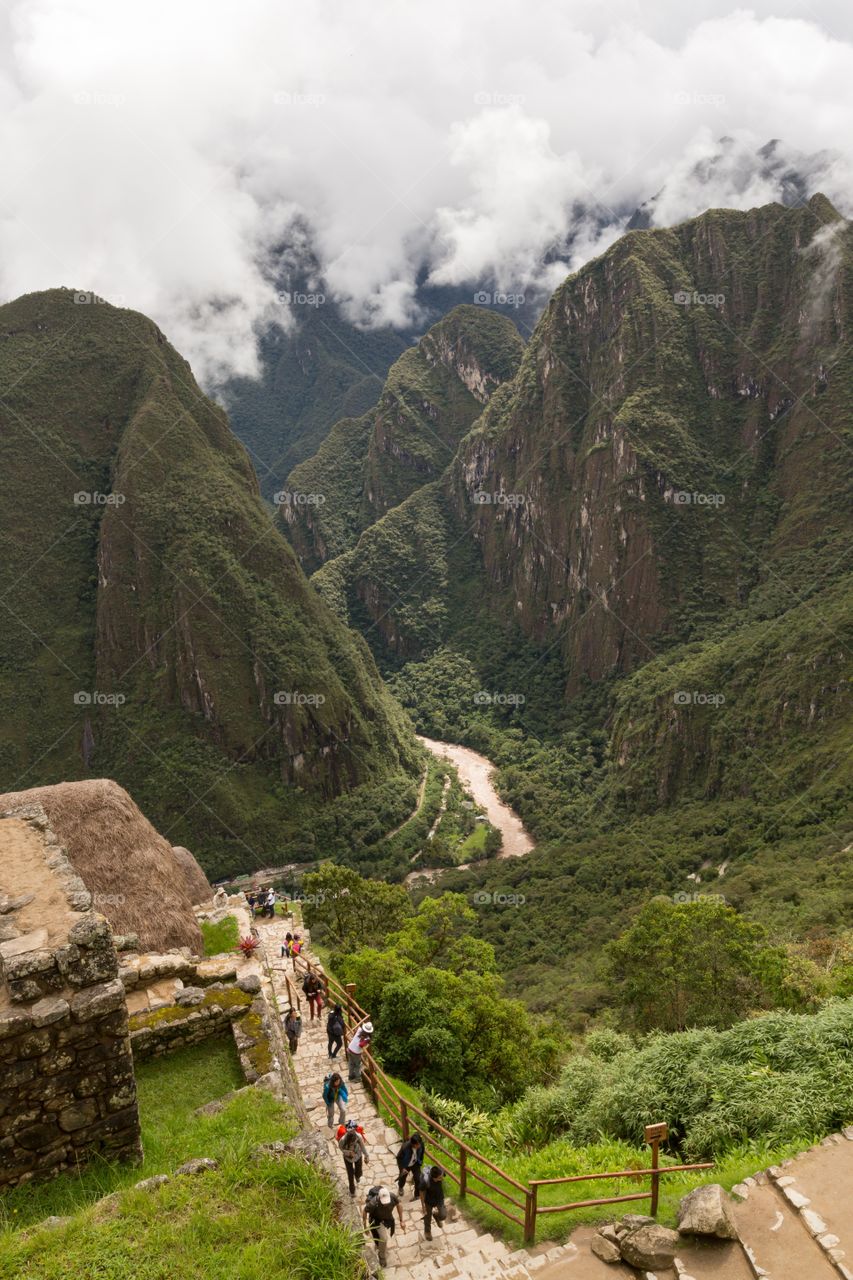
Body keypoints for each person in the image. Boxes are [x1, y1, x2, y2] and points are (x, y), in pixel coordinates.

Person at [363, 1185, 403, 1268]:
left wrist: (401, 1220)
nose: (386, 1204)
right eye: (384, 1202)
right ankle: (382, 1256)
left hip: (386, 1218)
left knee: (381, 1240)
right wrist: (365, 1226)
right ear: (379, 1198)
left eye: (387, 1202)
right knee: (384, 1238)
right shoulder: (373, 1203)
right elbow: (364, 1211)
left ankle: (379, 1246)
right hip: (376, 1220)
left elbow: (399, 1205)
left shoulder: (392, 1196)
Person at [338, 1118, 368, 1196]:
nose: (352, 1143)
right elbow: (341, 1148)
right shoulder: (342, 1140)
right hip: (347, 1159)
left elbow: (362, 1147)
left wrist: (366, 1156)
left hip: (358, 1156)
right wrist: (348, 1153)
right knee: (350, 1175)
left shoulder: (358, 1137)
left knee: (359, 1172)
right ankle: (352, 1191)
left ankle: (357, 1176)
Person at [419, 1165, 447, 1241]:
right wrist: (423, 1206)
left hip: (439, 1197)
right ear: (434, 1177)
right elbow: (421, 1193)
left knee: (443, 1215)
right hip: (429, 1200)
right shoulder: (425, 1181)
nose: (442, 1178)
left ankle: (436, 1216)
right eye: (440, 1177)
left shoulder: (440, 1172)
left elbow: (443, 1173)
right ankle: (427, 1231)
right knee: (427, 1217)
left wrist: (441, 1176)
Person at [396, 1132, 425, 1199]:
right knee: (402, 1178)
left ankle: (416, 1195)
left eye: (420, 1144)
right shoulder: (405, 1147)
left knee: (418, 1179)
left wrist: (420, 1161)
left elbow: (422, 1153)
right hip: (406, 1165)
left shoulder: (421, 1144)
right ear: (413, 1144)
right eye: (418, 1145)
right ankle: (400, 1187)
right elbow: (398, 1158)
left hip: (416, 1163)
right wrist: (402, 1168)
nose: (419, 1146)